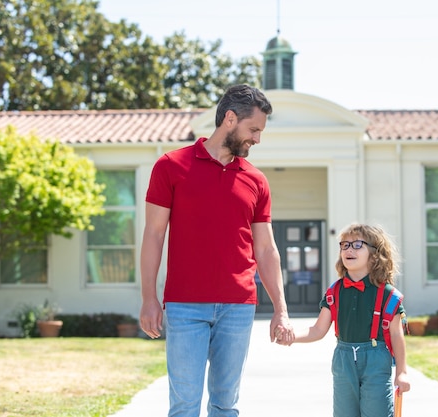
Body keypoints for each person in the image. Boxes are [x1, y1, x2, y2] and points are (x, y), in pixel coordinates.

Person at [139, 84, 294, 417]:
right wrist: (149, 297)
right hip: (184, 306)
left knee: (226, 405)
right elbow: (153, 235)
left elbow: (266, 250)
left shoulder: (256, 181)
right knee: (184, 406)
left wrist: (280, 308)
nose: (257, 138)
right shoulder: (170, 166)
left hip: (237, 308)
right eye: (253, 129)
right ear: (229, 118)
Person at [281, 223, 410, 417]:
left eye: (357, 244)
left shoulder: (387, 294)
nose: (349, 249)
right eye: (345, 245)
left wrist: (402, 372)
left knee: (377, 412)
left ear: (375, 254)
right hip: (343, 360)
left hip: (376, 360)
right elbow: (318, 330)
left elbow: (396, 334)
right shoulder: (335, 291)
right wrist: (292, 336)